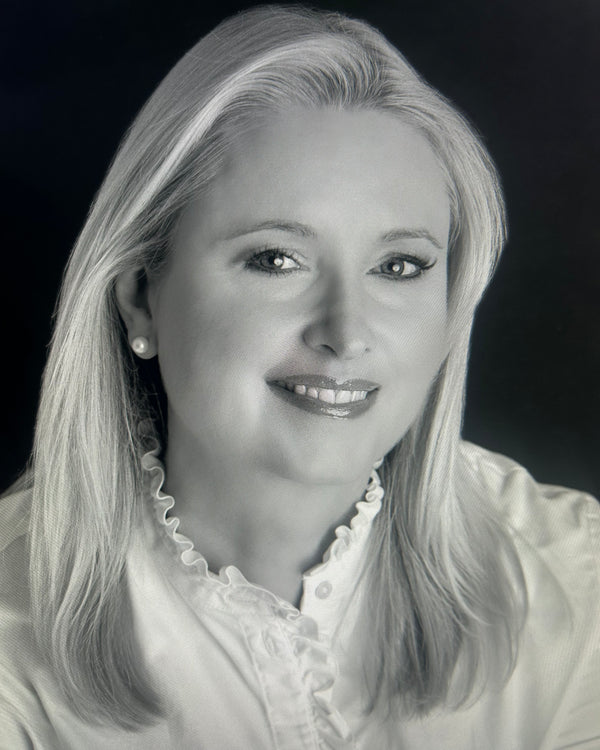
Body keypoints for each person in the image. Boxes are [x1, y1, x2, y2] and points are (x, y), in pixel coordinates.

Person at [0, 5, 598, 748]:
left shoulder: (578, 585)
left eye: (399, 266)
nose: (346, 334)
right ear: (141, 297)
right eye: (276, 259)